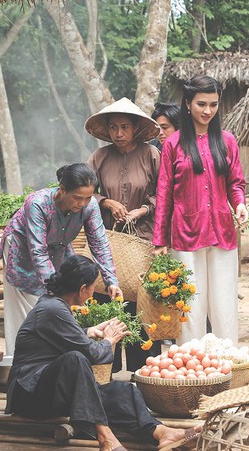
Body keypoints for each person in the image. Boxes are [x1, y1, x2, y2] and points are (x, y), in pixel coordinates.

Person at [6, 255, 201, 451]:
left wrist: (88, 331)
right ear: (83, 289)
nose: (92, 293)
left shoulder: (55, 305)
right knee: (76, 359)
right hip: (28, 396)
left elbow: (59, 338)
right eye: (92, 287)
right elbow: (90, 354)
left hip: (53, 392)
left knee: (124, 391)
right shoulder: (52, 308)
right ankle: (105, 438)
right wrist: (109, 340)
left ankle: (161, 433)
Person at [153, 75, 248, 345]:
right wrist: (160, 239)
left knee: (224, 302)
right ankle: (191, 366)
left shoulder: (228, 141)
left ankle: (227, 363)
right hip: (184, 234)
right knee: (191, 306)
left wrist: (239, 203)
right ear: (187, 103)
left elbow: (235, 182)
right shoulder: (173, 144)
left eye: (214, 105)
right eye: (201, 104)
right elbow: (164, 193)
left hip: (222, 231)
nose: (208, 111)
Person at [0, 163, 122, 357]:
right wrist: (55, 290)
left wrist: (111, 281)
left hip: (58, 250)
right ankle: (22, 362)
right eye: (78, 198)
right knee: (31, 307)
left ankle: (52, 362)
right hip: (23, 250)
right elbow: (38, 251)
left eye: (88, 198)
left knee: (57, 306)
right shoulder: (37, 203)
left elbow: (99, 243)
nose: (83, 203)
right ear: (62, 190)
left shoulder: (90, 207)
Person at [86, 97, 163, 371]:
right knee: (108, 297)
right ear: (107, 129)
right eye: (114, 127)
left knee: (141, 303)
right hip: (107, 241)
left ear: (135, 129)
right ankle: (109, 367)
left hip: (143, 240)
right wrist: (106, 202)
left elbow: (164, 194)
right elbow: (85, 193)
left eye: (125, 127)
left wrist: (143, 209)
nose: (119, 133)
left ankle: (142, 369)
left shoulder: (151, 154)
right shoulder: (98, 157)